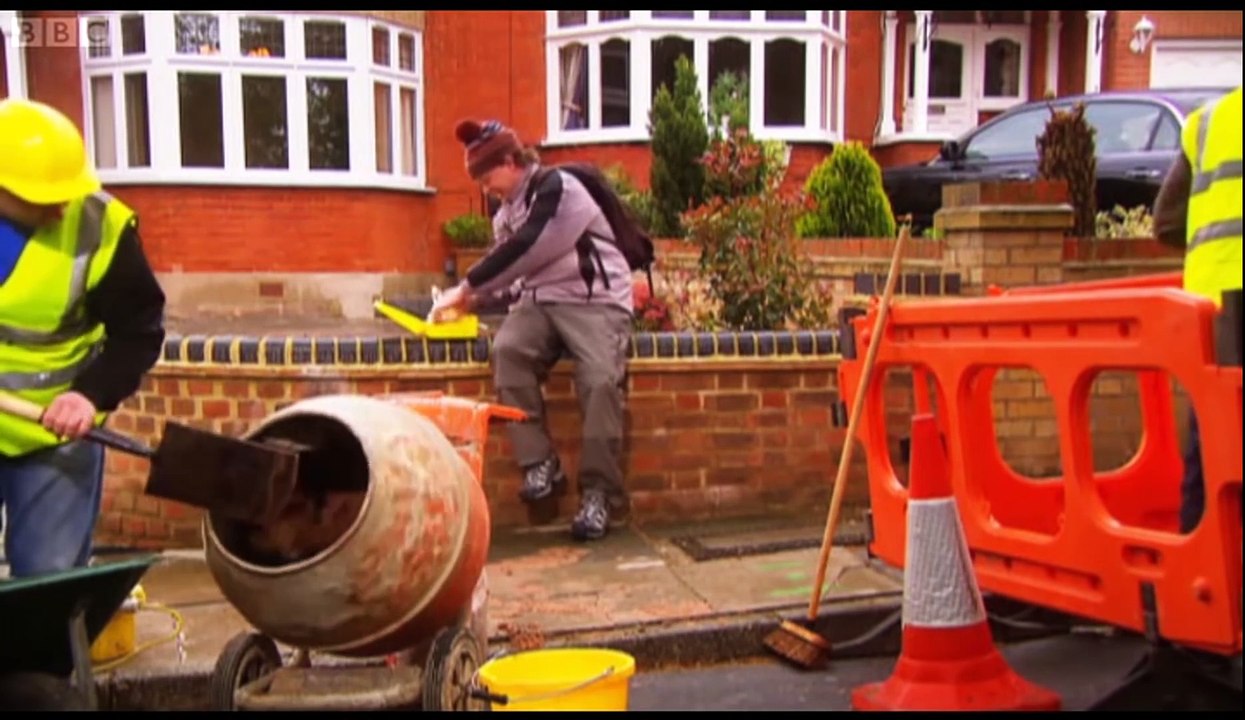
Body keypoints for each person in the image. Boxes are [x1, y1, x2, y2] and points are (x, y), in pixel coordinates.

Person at [431, 118, 633, 541]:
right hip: (540, 301)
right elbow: (515, 277)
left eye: (487, 177)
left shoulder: (558, 189)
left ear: (510, 161)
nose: (486, 189)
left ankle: (599, 495)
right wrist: (473, 301)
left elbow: (530, 247)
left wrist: (465, 287)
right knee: (508, 351)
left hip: (594, 300)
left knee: (599, 382)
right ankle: (540, 463)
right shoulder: (505, 213)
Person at [0, 98, 166, 578]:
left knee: (47, 581)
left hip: (53, 431)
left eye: (65, 193)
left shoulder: (100, 228)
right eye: (39, 198)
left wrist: (87, 395)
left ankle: (44, 656)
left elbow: (138, 332)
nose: (59, 209)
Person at [1152, 84, 1242, 534]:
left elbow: (1166, 222)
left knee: (1211, 442)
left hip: (1212, 302)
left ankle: (1203, 569)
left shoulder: (1210, 120)